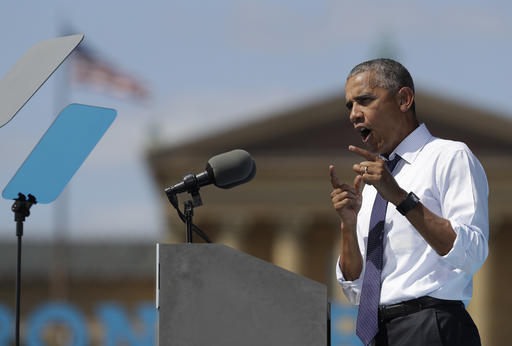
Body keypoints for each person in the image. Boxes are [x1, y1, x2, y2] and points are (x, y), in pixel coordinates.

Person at [329, 58, 488, 346]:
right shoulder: (376, 179)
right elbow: (355, 291)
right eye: (350, 106)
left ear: (404, 99)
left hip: (431, 327)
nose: (354, 114)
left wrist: (401, 198)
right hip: (379, 334)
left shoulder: (449, 157)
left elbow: (472, 253)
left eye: (364, 100)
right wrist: (348, 226)